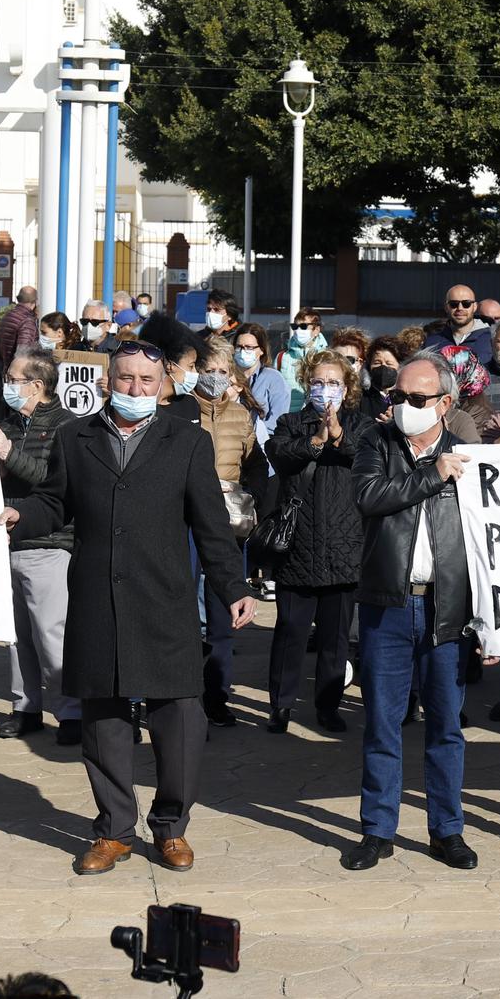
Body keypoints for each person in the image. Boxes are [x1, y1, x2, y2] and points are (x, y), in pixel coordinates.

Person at [1, 340, 254, 875]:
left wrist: (233, 587)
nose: (135, 389)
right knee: (104, 720)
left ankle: (170, 828)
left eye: (146, 380)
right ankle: (114, 830)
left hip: (164, 599)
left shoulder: (186, 442)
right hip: (96, 596)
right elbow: (53, 502)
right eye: (124, 379)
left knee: (179, 720)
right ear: (105, 381)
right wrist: (17, 515)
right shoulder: (76, 438)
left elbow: (211, 525)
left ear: (161, 385)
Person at [341, 351, 480, 872]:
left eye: (417, 399)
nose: (404, 406)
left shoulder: (470, 457)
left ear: (445, 403)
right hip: (388, 606)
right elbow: (369, 497)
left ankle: (448, 829)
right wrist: (431, 475)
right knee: (382, 722)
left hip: (446, 610)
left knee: (446, 725)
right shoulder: (376, 445)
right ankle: (377, 829)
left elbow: (488, 545)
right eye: (397, 396)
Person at [263, 351, 370, 735]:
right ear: (307, 383)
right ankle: (281, 705)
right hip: (299, 547)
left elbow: (364, 457)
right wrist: (315, 440)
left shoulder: (361, 425)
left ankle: (328, 706)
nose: (326, 390)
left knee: (334, 639)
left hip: (343, 548)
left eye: (334, 383)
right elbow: (278, 453)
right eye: (319, 381)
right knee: (290, 632)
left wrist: (338, 436)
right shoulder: (291, 422)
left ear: (348, 387)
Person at [0, 348, 80, 745]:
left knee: (51, 634)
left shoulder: (67, 426)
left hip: (49, 545)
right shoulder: (7, 423)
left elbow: (53, 482)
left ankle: (71, 713)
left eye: (13, 378)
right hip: (5, 541)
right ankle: (25, 708)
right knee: (15, 634)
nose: (7, 385)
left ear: (36, 386)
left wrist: (8, 453)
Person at [192, 338, 268, 725]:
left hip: (229, 526)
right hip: (186, 523)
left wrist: (246, 492)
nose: (217, 378)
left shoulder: (241, 415)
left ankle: (217, 696)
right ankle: (181, 696)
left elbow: (256, 464)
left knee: (223, 615)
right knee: (188, 612)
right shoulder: (182, 411)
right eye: (210, 370)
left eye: (224, 372)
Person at [232, 322, 289, 451]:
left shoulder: (273, 379)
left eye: (249, 347)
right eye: (239, 347)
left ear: (261, 350)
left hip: (261, 447)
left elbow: (277, 421)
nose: (243, 351)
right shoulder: (227, 376)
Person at [424, 284, 493, 367]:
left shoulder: (491, 339)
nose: (460, 308)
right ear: (446, 307)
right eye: (454, 304)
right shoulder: (431, 342)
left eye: (466, 304)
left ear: (474, 307)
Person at [277, 309, 327, 407]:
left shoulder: (326, 358)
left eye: (304, 326)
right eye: (295, 326)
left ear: (316, 330)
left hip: (316, 417)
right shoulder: (282, 357)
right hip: (288, 417)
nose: (298, 331)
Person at [359, 337, 406, 420]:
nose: (383, 367)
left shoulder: (406, 398)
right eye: (377, 363)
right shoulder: (360, 397)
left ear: (400, 367)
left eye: (389, 363)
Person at [0, 285, 41, 366]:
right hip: (19, 372)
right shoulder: (27, 321)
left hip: (5, 367)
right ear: (35, 301)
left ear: (18, 298)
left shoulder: (7, 316)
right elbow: (23, 353)